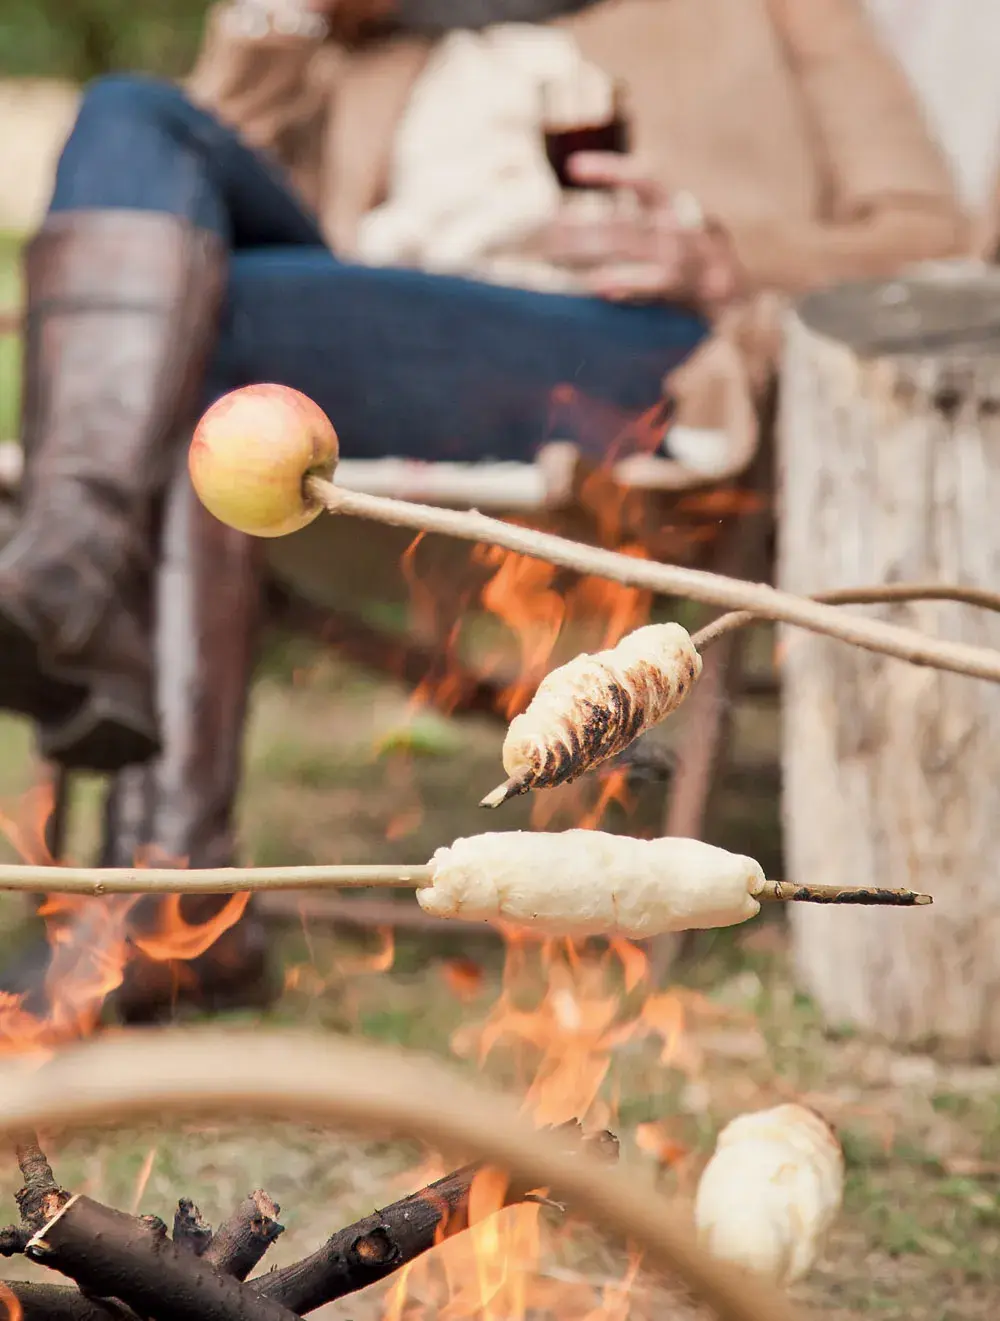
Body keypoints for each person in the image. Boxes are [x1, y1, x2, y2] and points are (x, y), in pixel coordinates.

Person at [0, 0, 963, 1020]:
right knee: (131, 116)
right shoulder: (373, 32)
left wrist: (725, 257)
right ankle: (100, 663)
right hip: (353, 353)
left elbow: (937, 236)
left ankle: (82, 627)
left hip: (620, 345)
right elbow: (165, 211)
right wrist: (289, 13)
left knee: (215, 315)